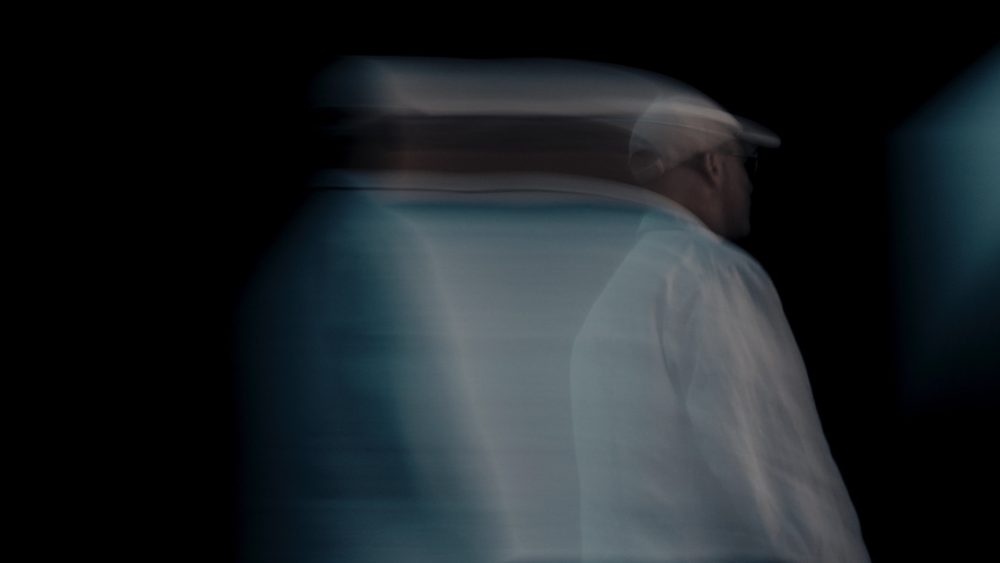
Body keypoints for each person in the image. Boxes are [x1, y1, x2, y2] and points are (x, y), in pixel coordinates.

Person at [570, 91, 871, 562]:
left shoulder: (610, 302)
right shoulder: (710, 275)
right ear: (714, 165)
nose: (749, 184)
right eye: (744, 163)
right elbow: (778, 478)